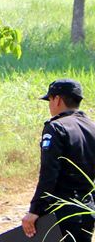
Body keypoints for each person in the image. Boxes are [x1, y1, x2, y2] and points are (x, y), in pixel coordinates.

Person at [22, 79, 95, 242]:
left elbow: (49, 173)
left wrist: (35, 210)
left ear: (57, 100)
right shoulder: (92, 127)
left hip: (60, 214)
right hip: (86, 210)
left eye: (49, 100)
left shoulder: (56, 128)